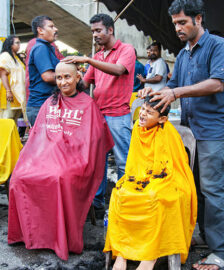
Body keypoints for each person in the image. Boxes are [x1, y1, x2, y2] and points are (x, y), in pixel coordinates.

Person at [139, 1, 224, 269]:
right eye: (175, 24)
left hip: (213, 130)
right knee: (192, 187)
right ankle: (207, 238)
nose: (178, 28)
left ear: (198, 19)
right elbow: (173, 85)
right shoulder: (183, 55)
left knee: (213, 189)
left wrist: (176, 92)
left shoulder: (217, 45)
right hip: (189, 131)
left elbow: (217, 84)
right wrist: (154, 92)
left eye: (183, 22)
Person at [8, 62, 114, 260]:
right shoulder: (50, 102)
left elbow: (92, 140)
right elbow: (37, 136)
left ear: (77, 78)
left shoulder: (87, 104)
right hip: (45, 157)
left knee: (58, 177)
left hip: (75, 160)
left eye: (67, 77)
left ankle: (58, 238)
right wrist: (36, 157)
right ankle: (28, 234)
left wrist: (70, 154)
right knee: (19, 177)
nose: (63, 82)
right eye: (59, 78)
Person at [104, 96, 197, 270]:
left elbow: (168, 167)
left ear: (162, 119)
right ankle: (122, 254)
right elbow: (134, 162)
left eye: (149, 112)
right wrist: (138, 179)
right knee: (120, 194)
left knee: (155, 197)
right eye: (143, 110)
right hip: (139, 176)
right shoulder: (138, 130)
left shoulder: (167, 133)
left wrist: (151, 182)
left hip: (169, 178)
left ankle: (150, 257)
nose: (143, 115)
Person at [62, 13, 136, 213]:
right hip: (98, 115)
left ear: (110, 30)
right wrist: (69, 77)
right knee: (98, 162)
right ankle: (97, 204)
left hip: (118, 115)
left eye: (98, 30)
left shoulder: (126, 50)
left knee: (123, 161)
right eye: (92, 31)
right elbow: (84, 84)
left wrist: (88, 59)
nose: (94, 35)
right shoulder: (97, 56)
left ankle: (125, 203)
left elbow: (119, 70)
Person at [27, 15, 59, 127]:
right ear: (40, 30)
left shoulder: (47, 47)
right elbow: (48, 77)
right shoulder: (41, 48)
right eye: (51, 27)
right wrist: (71, 77)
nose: (56, 29)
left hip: (44, 105)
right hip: (40, 106)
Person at [0, 35, 26, 122]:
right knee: (7, 119)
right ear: (10, 44)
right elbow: (3, 74)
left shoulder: (17, 58)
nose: (19, 45)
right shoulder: (5, 56)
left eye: (20, 43)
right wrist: (8, 91)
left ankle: (12, 136)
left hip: (18, 94)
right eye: (17, 43)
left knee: (14, 120)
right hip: (9, 94)